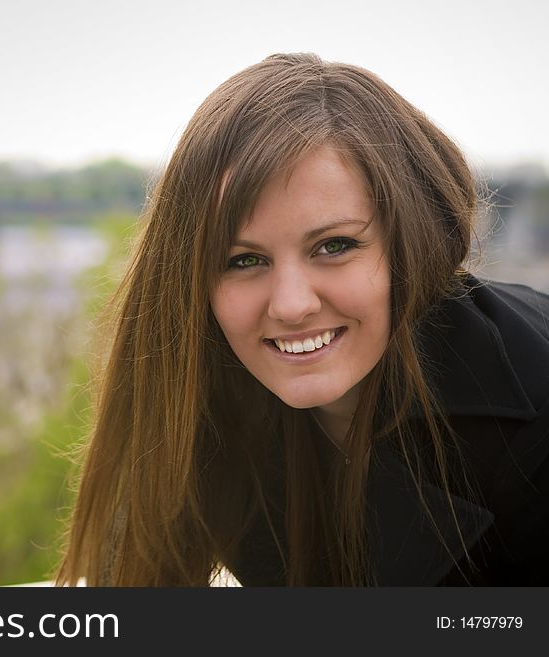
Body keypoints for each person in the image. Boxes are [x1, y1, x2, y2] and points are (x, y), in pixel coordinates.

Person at [56, 53, 549, 586]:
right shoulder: (193, 393)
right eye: (243, 260)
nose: (291, 305)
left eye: (334, 246)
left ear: (415, 244)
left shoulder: (534, 406)